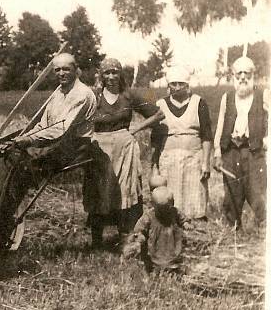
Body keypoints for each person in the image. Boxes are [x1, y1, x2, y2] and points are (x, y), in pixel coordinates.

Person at [0, 53, 97, 245]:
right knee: (7, 154)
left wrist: (28, 141)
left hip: (74, 146)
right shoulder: (59, 93)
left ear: (76, 69)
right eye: (58, 70)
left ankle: (0, 221)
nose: (61, 73)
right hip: (55, 141)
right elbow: (44, 125)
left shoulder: (82, 95)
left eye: (66, 69)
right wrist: (20, 138)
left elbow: (60, 130)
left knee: (23, 167)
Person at [83, 58, 163, 248]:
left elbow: (158, 114)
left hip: (124, 149)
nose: (111, 77)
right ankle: (97, 242)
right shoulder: (94, 96)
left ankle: (125, 238)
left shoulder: (128, 96)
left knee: (125, 192)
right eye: (107, 73)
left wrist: (136, 128)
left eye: (115, 72)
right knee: (98, 192)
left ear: (120, 74)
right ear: (101, 75)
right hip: (99, 150)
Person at [212, 56, 268, 230]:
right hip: (230, 150)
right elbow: (220, 124)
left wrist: (267, 141)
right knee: (232, 193)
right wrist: (217, 152)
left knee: (257, 191)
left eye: (247, 73)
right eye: (239, 73)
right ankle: (233, 230)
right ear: (233, 76)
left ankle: (263, 229)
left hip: (253, 151)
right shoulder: (227, 97)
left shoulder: (263, 94)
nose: (243, 77)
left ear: (253, 74)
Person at [151, 66, 213, 222]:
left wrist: (205, 163)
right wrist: (154, 166)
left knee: (195, 201)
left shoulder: (199, 103)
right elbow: (156, 140)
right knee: (169, 201)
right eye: (173, 84)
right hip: (168, 161)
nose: (177, 88)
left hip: (193, 160)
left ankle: (196, 234)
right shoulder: (160, 105)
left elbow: (207, 136)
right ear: (168, 85)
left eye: (181, 84)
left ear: (187, 85)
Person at [123, 186, 191, 274]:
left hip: (171, 242)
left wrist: (185, 223)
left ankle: (173, 267)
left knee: (174, 258)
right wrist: (140, 236)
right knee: (155, 263)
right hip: (155, 246)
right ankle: (155, 269)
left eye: (167, 208)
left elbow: (181, 217)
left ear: (172, 203)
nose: (165, 212)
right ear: (153, 205)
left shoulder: (174, 211)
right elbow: (140, 229)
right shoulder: (149, 216)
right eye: (161, 209)